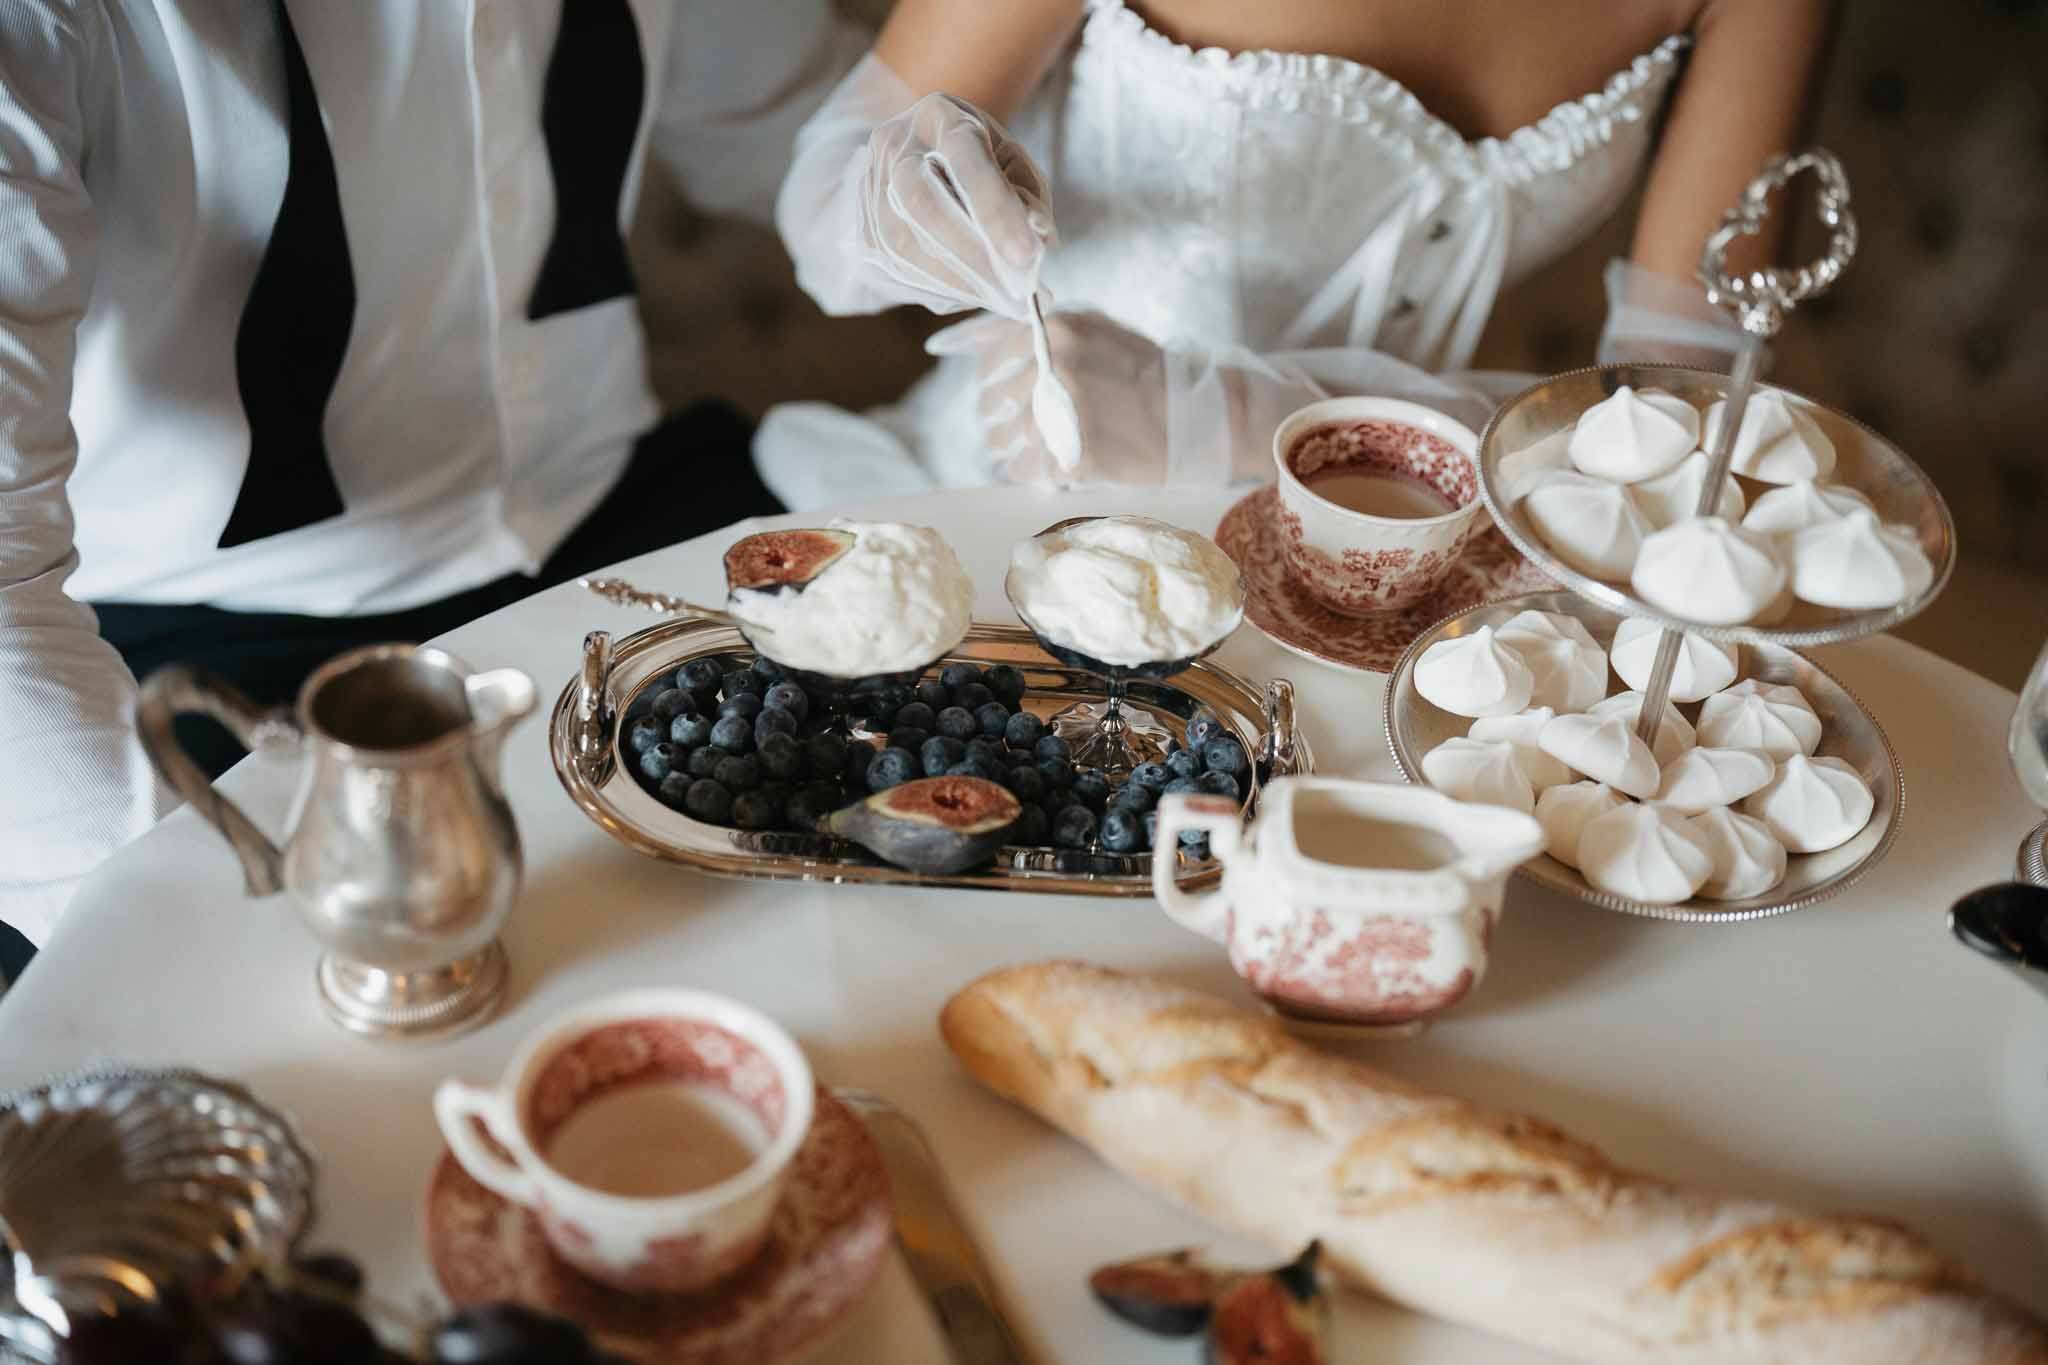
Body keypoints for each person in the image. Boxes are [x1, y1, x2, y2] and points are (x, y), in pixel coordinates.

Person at [0, 0, 865, 962]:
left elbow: (795, 129)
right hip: (190, 638)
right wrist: (178, 942)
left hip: (627, 517)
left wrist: (953, 194)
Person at [754, 0, 1832, 507]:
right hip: (994, 504)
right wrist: (901, 198)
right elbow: (820, 222)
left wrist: (1242, 418)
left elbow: (1688, 421)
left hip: (1405, 562)